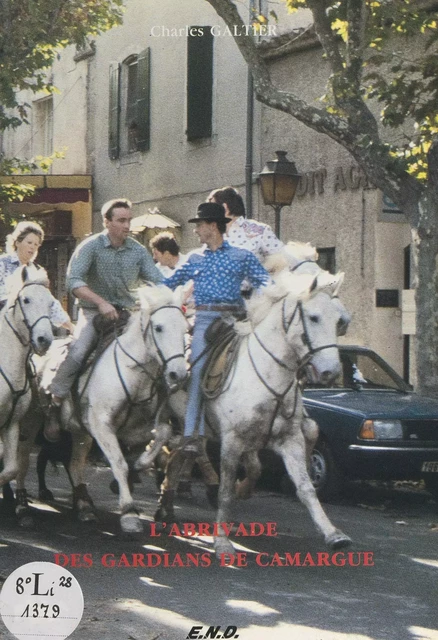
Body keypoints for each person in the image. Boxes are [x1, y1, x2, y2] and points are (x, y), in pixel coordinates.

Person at [46, 198, 163, 442]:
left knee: (155, 353)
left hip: (128, 316)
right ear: (107, 222)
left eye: (129, 220)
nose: (127, 225)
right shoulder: (90, 247)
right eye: (121, 220)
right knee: (78, 351)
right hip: (93, 314)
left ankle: (157, 410)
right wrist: (100, 302)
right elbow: (74, 281)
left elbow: (158, 280)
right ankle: (55, 402)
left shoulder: (138, 250)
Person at [163, 202, 270, 454]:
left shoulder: (242, 256)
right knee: (198, 369)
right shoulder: (194, 258)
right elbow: (169, 282)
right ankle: (192, 433)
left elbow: (266, 282)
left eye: (200, 225)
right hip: (205, 321)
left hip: (236, 320)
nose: (197, 230)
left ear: (213, 226)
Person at [0, 220, 74, 332]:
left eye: (36, 244)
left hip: (27, 328)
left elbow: (49, 301)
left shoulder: (37, 271)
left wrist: (70, 326)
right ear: (17, 242)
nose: (33, 247)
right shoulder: (3, 263)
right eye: (29, 243)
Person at [207, 186, 284, 262]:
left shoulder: (259, 230)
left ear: (225, 208)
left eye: (212, 209)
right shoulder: (212, 233)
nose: (208, 215)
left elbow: (283, 259)